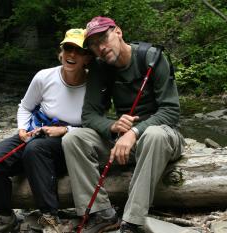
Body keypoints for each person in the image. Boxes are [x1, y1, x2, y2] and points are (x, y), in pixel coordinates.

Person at [62, 16, 185, 233]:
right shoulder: (100, 68)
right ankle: (100, 213)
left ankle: (133, 221)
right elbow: (89, 115)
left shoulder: (152, 58)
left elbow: (171, 111)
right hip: (122, 138)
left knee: (153, 135)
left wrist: (134, 132)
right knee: (73, 138)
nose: (101, 48)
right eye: (93, 45)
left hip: (162, 135)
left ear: (118, 32)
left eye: (104, 39)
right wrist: (112, 126)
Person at [0, 28, 91, 233]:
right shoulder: (44, 77)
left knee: (36, 151)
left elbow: (94, 127)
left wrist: (66, 130)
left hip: (70, 141)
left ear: (87, 57)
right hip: (35, 132)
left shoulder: (93, 84)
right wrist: (22, 129)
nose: (72, 55)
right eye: (68, 48)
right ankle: (3, 216)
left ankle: (50, 217)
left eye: (78, 50)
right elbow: (25, 107)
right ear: (61, 52)